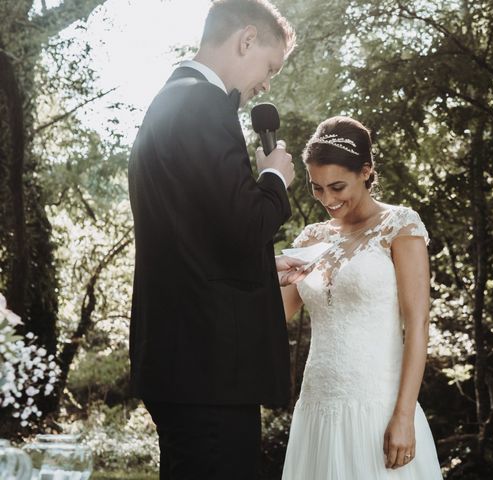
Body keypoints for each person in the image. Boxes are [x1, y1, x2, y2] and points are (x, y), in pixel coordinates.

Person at [127, 1, 301, 478]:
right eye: (270, 67)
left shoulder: (170, 100)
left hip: (180, 358)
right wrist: (274, 179)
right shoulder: (204, 104)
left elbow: (204, 238)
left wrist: (269, 271)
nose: (266, 84)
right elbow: (245, 226)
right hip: (209, 368)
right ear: (246, 40)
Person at [280, 116, 443, 479]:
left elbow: (417, 325)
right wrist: (267, 268)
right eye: (317, 188)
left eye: (337, 186)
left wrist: (404, 414)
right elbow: (273, 317)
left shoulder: (400, 225)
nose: (328, 199)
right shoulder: (311, 238)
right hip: (316, 407)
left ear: (366, 171)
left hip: (378, 406)